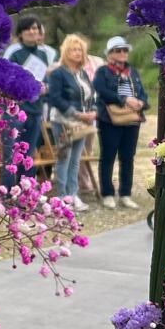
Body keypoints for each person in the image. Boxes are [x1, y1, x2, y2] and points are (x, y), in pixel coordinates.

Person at [93, 36, 148, 210]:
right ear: (109, 54)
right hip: (110, 120)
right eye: (118, 50)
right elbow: (101, 90)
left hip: (132, 120)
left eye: (124, 50)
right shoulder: (103, 71)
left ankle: (125, 194)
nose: (122, 53)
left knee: (128, 158)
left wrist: (141, 103)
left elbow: (142, 93)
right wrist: (124, 99)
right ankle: (108, 194)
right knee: (108, 157)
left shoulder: (133, 72)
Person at [1, 17, 57, 186]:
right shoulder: (14, 52)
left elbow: (49, 82)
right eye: (28, 29)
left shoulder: (45, 53)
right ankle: (8, 195)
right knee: (11, 154)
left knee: (29, 154)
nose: (33, 32)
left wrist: (46, 87)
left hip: (35, 110)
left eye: (36, 28)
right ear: (21, 33)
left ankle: (27, 194)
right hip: (15, 111)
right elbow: (6, 79)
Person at [44, 34, 97, 212]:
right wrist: (76, 114)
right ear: (66, 52)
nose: (77, 53)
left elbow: (92, 95)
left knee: (75, 160)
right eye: (73, 49)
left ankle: (73, 195)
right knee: (63, 158)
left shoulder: (82, 73)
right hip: (64, 121)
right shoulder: (58, 73)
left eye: (80, 49)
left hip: (82, 123)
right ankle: (61, 197)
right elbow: (55, 98)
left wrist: (93, 111)